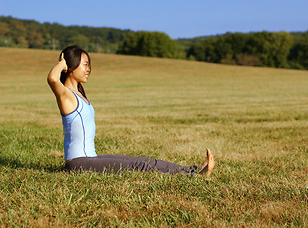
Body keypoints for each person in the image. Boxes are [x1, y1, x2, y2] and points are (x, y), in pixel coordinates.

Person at [47, 45, 215, 177]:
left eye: (89, 65)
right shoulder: (66, 95)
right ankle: (191, 176)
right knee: (139, 167)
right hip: (78, 164)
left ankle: (192, 171)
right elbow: (52, 78)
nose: (89, 69)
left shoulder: (79, 94)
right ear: (71, 66)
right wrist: (62, 63)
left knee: (145, 161)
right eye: (85, 65)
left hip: (91, 158)